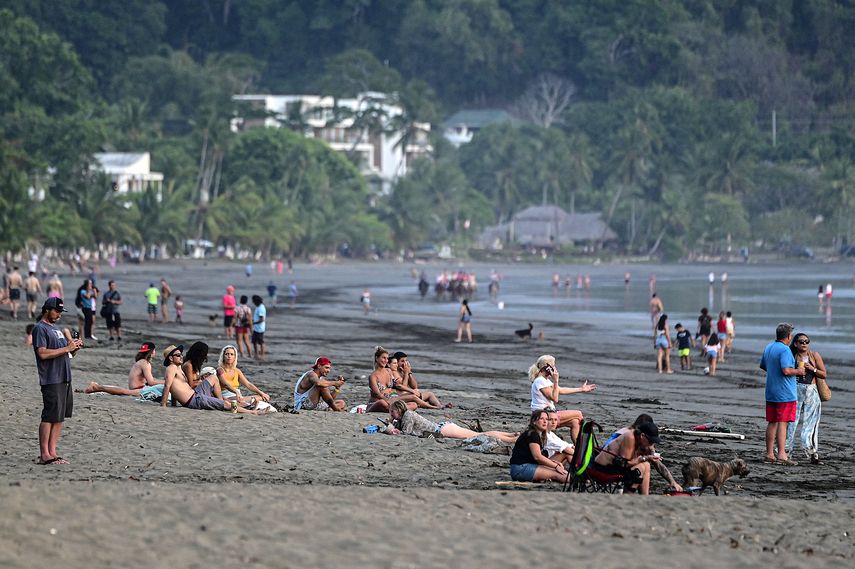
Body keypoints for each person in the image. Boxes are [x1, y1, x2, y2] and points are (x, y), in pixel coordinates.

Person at [32, 298, 83, 465]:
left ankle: (52, 452)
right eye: (57, 311)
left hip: (64, 377)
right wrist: (66, 348)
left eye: (61, 312)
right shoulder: (40, 328)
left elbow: (66, 354)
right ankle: (44, 454)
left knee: (59, 417)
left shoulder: (57, 329)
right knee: (49, 415)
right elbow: (43, 354)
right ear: (47, 310)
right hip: (51, 378)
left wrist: (73, 348)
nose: (59, 314)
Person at [160, 345, 266, 415]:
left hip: (196, 394)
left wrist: (174, 405)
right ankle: (253, 413)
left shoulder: (178, 368)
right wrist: (163, 405)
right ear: (170, 358)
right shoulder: (171, 368)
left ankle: (222, 402)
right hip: (193, 400)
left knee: (213, 378)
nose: (181, 356)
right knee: (227, 405)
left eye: (181, 354)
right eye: (178, 355)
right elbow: (167, 386)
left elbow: (174, 388)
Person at [601, 414, 682, 491]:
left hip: (611, 459)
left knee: (646, 464)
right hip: (608, 464)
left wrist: (672, 481)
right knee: (641, 467)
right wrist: (646, 457)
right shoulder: (628, 435)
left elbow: (656, 462)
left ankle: (643, 497)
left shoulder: (636, 436)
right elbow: (624, 462)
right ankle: (631, 496)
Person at [528, 354, 596, 441]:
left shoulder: (545, 380)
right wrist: (556, 381)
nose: (555, 368)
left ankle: (578, 449)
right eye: (553, 366)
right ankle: (586, 441)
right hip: (543, 414)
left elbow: (560, 390)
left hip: (549, 412)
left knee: (575, 422)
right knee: (578, 414)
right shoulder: (540, 381)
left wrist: (581, 389)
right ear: (547, 367)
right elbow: (555, 398)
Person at [385, 399, 518, 443]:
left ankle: (512, 439)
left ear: (399, 410)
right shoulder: (405, 415)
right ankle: (511, 435)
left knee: (480, 436)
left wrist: (391, 428)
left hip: (443, 429)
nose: (391, 414)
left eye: (392, 412)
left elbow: (406, 434)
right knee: (480, 435)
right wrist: (393, 423)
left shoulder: (408, 415)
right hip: (443, 427)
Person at [759, 323, 799, 465]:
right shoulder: (785, 350)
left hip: (771, 391)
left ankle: (770, 453)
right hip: (784, 392)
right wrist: (799, 371)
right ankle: (782, 454)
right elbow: (786, 370)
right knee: (783, 422)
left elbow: (763, 365)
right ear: (788, 336)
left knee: (772, 421)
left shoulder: (769, 347)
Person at [786, 333, 827, 465]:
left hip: (811, 390)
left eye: (806, 341)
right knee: (791, 422)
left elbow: (823, 374)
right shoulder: (792, 355)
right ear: (795, 343)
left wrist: (812, 369)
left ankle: (812, 454)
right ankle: (786, 452)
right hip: (795, 390)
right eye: (801, 341)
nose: (804, 343)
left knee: (811, 424)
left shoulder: (814, 355)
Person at [591, 420, 661, 494]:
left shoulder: (638, 438)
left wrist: (652, 453)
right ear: (642, 435)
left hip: (614, 465)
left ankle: (644, 499)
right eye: (650, 442)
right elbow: (625, 464)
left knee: (646, 465)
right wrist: (645, 458)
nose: (651, 444)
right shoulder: (630, 437)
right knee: (639, 469)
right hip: (602, 468)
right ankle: (626, 499)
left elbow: (649, 449)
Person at [84, 342, 164, 399]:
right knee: (123, 391)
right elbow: (151, 382)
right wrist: (167, 381)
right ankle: (97, 387)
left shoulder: (141, 361)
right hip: (138, 388)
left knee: (124, 391)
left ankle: (96, 386)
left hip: (137, 387)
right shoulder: (145, 363)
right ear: (152, 351)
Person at [508, 410, 569, 483]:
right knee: (562, 475)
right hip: (521, 469)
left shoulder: (540, 435)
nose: (545, 421)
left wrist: (554, 463)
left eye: (546, 419)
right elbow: (537, 457)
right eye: (541, 419)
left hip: (530, 465)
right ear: (534, 421)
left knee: (562, 472)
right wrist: (556, 466)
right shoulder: (533, 434)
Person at [366, 347, 423, 412]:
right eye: (383, 358)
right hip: (377, 403)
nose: (386, 360)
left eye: (387, 358)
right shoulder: (372, 376)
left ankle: (397, 409)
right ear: (377, 358)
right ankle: (398, 409)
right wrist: (389, 399)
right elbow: (377, 394)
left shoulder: (388, 371)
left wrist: (407, 373)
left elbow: (397, 386)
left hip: (391, 399)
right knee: (382, 402)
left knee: (414, 404)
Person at [251, 295, 266, 360]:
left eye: (253, 301)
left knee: (261, 342)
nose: (253, 302)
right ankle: (256, 354)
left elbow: (262, 319)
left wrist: (253, 323)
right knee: (254, 342)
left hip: (260, 328)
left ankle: (262, 355)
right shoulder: (258, 307)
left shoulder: (260, 308)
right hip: (256, 327)